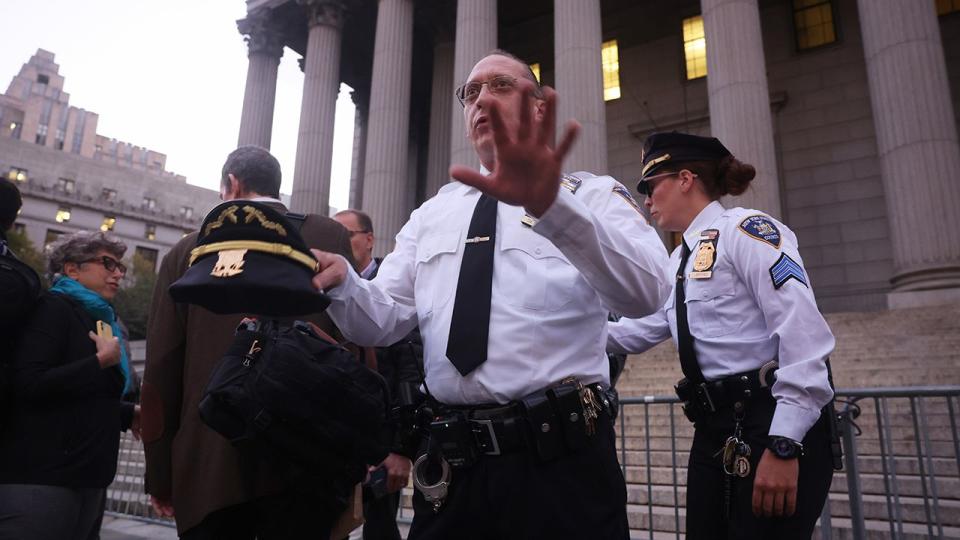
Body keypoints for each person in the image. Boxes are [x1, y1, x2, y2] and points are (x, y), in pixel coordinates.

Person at [311, 50, 671, 540]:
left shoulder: (590, 195)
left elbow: (649, 290)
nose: (480, 98)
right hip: (454, 471)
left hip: (560, 468)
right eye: (470, 92)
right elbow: (382, 318)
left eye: (499, 85)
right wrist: (345, 284)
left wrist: (553, 207)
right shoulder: (433, 213)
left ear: (538, 108)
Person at [607, 132, 836, 539]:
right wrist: (559, 332)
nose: (646, 200)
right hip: (715, 428)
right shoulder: (679, 258)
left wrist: (784, 443)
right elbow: (639, 331)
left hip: (769, 421)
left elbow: (803, 335)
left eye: (651, 185)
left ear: (684, 179)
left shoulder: (747, 230)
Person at [141, 146, 358, 539]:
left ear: (232, 184)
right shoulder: (330, 235)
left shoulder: (187, 251)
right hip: (308, 464)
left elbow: (161, 371)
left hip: (210, 469)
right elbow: (356, 343)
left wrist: (160, 473)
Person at [0, 231, 139, 540]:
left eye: (120, 267)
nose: (117, 273)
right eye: (107, 263)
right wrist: (98, 363)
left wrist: (126, 413)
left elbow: (83, 395)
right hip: (43, 481)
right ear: (71, 269)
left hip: (87, 478)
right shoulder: (52, 308)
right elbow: (29, 384)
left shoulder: (99, 319)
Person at [334, 209, 422, 540]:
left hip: (382, 451)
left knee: (379, 531)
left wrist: (399, 448)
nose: (341, 245)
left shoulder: (396, 290)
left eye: (348, 236)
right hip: (336, 442)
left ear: (369, 239)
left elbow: (409, 370)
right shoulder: (327, 287)